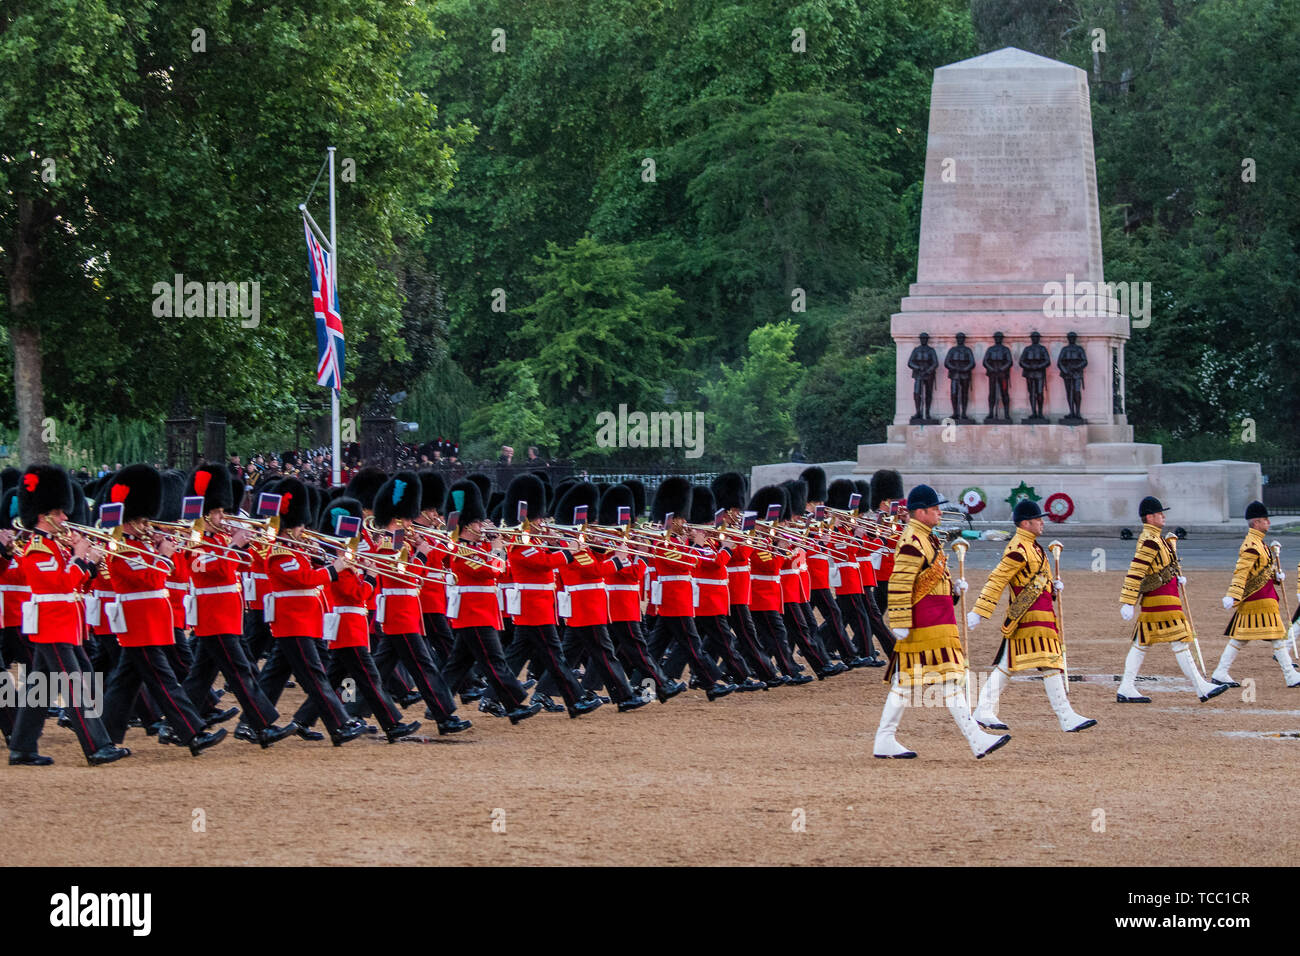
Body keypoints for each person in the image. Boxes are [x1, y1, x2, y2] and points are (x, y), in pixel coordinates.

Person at [873, 484, 1009, 760]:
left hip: (936, 620)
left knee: (907, 682)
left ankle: (885, 739)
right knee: (948, 679)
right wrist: (899, 620)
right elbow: (899, 583)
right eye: (934, 509)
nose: (939, 513)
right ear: (919, 512)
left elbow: (929, 578)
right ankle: (976, 738)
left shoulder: (927, 537)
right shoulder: (913, 540)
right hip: (925, 622)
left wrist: (953, 590)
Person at [8, 465, 130, 766]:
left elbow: (76, 584)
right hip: (52, 624)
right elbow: (57, 584)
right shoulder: (37, 548)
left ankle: (22, 747)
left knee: (39, 688)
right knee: (76, 685)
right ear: (43, 514)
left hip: (66, 624)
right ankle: (97, 746)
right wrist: (80, 559)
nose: (65, 518)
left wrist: (90, 564)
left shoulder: (56, 546)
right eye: (60, 513)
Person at [99, 465, 225, 757]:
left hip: (151, 622)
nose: (148, 524)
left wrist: (159, 550)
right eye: (143, 519)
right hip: (139, 623)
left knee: (124, 684)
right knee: (165, 682)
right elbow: (147, 579)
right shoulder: (121, 548)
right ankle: (192, 733)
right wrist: (161, 554)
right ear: (129, 521)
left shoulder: (139, 545)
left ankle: (103, 738)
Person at [179, 464, 294, 748]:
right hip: (213, 614)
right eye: (217, 512)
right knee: (241, 672)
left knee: (200, 677)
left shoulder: (218, 538)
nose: (222, 517)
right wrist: (234, 545)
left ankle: (176, 726)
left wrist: (254, 543)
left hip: (226, 614)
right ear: (204, 514)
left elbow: (243, 564)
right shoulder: (194, 540)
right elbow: (206, 568)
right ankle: (262, 726)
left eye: (222, 511)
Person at [968, 499, 1095, 733]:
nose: (1042, 523)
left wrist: (1052, 587)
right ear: (1026, 523)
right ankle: (1065, 716)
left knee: (1011, 665)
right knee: (1048, 662)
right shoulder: (1019, 548)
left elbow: (1033, 580)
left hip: (1040, 615)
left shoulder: (1034, 546)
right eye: (1038, 519)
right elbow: (998, 580)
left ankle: (984, 709)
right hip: (1029, 617)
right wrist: (980, 610)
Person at [1116, 496, 1228, 703]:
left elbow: (1157, 568)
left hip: (1164, 597)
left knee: (1142, 644)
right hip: (1161, 600)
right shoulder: (1150, 540)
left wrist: (1175, 577)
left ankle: (1126, 686)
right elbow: (1136, 571)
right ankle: (1200, 686)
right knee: (1179, 641)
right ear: (1150, 517)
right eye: (1160, 513)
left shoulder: (1158, 538)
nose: (1163, 516)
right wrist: (1128, 601)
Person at [1211, 501, 1299, 688]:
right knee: (1276, 636)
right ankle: (1290, 675)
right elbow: (1241, 572)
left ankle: (1220, 671)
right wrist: (1232, 594)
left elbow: (1261, 570)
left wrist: (1276, 576)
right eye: (1265, 520)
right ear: (1256, 522)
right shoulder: (1251, 545)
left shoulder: (1260, 543)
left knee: (1240, 638)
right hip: (1259, 599)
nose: (1268, 523)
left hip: (1263, 597)